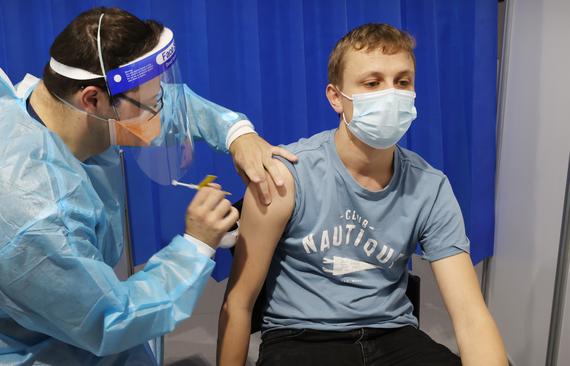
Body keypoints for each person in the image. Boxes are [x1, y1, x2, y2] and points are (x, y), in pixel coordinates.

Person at [0, 7, 297, 366]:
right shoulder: (29, 212)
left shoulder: (32, 106)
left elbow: (163, 106)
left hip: (34, 300)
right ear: (94, 99)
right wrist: (196, 246)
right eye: (152, 104)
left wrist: (236, 132)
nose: (161, 111)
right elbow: (110, 319)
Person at [218, 23, 508, 366]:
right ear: (336, 97)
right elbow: (238, 304)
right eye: (372, 83)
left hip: (394, 335)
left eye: (402, 82)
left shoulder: (430, 187)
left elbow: (471, 318)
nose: (391, 94)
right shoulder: (286, 175)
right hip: (302, 337)